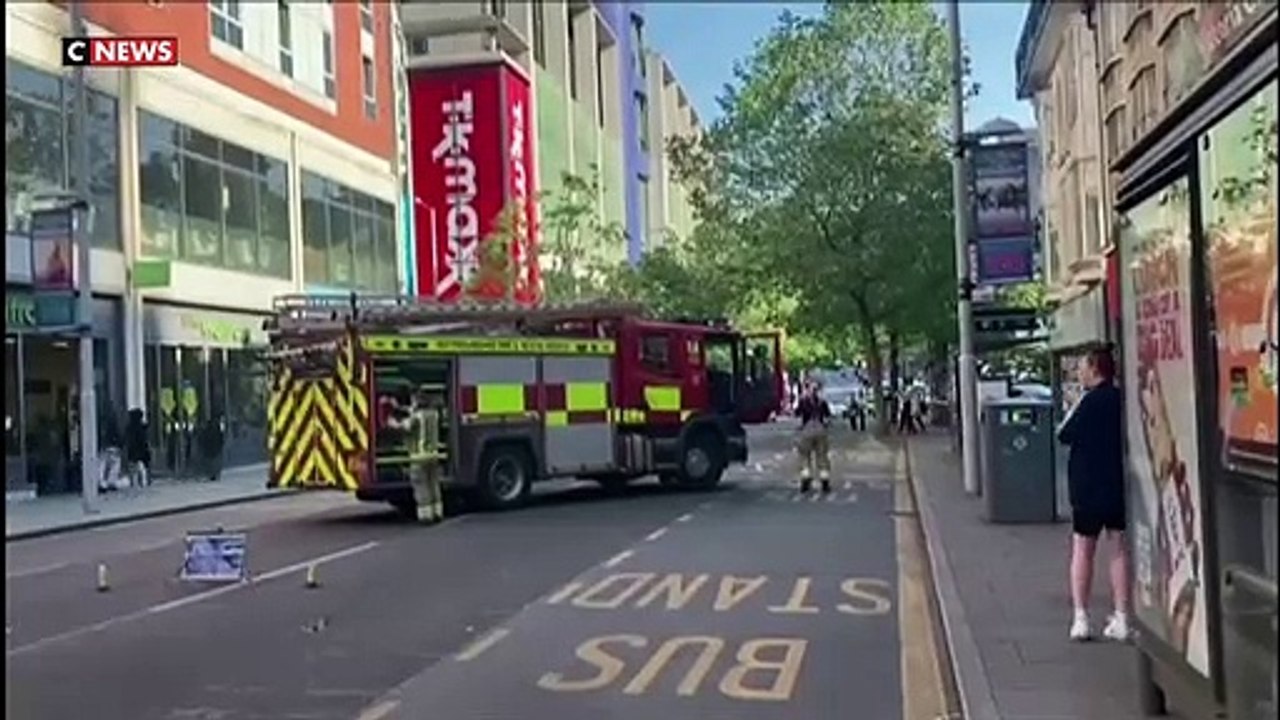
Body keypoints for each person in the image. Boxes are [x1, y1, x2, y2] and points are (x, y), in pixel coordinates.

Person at [1057, 346, 1130, 642]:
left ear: (1095, 369)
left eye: (1083, 367)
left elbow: (1064, 434)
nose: (1079, 372)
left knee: (1083, 551)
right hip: (1115, 484)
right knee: (1118, 550)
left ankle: (1081, 617)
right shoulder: (1121, 401)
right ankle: (1122, 617)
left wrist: (1075, 404)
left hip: (1086, 488)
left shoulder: (1087, 402)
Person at [795, 381, 832, 493]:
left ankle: (806, 476)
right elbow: (828, 417)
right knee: (822, 455)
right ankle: (824, 478)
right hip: (820, 429)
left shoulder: (803, 401)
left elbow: (797, 414)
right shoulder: (822, 402)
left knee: (804, 455)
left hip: (807, 429)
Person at [123, 408, 151, 488]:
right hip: (141, 449)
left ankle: (135, 482)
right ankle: (143, 481)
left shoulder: (129, 427)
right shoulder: (142, 427)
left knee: (135, 467)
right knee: (141, 467)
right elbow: (144, 438)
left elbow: (126, 439)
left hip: (133, 450)